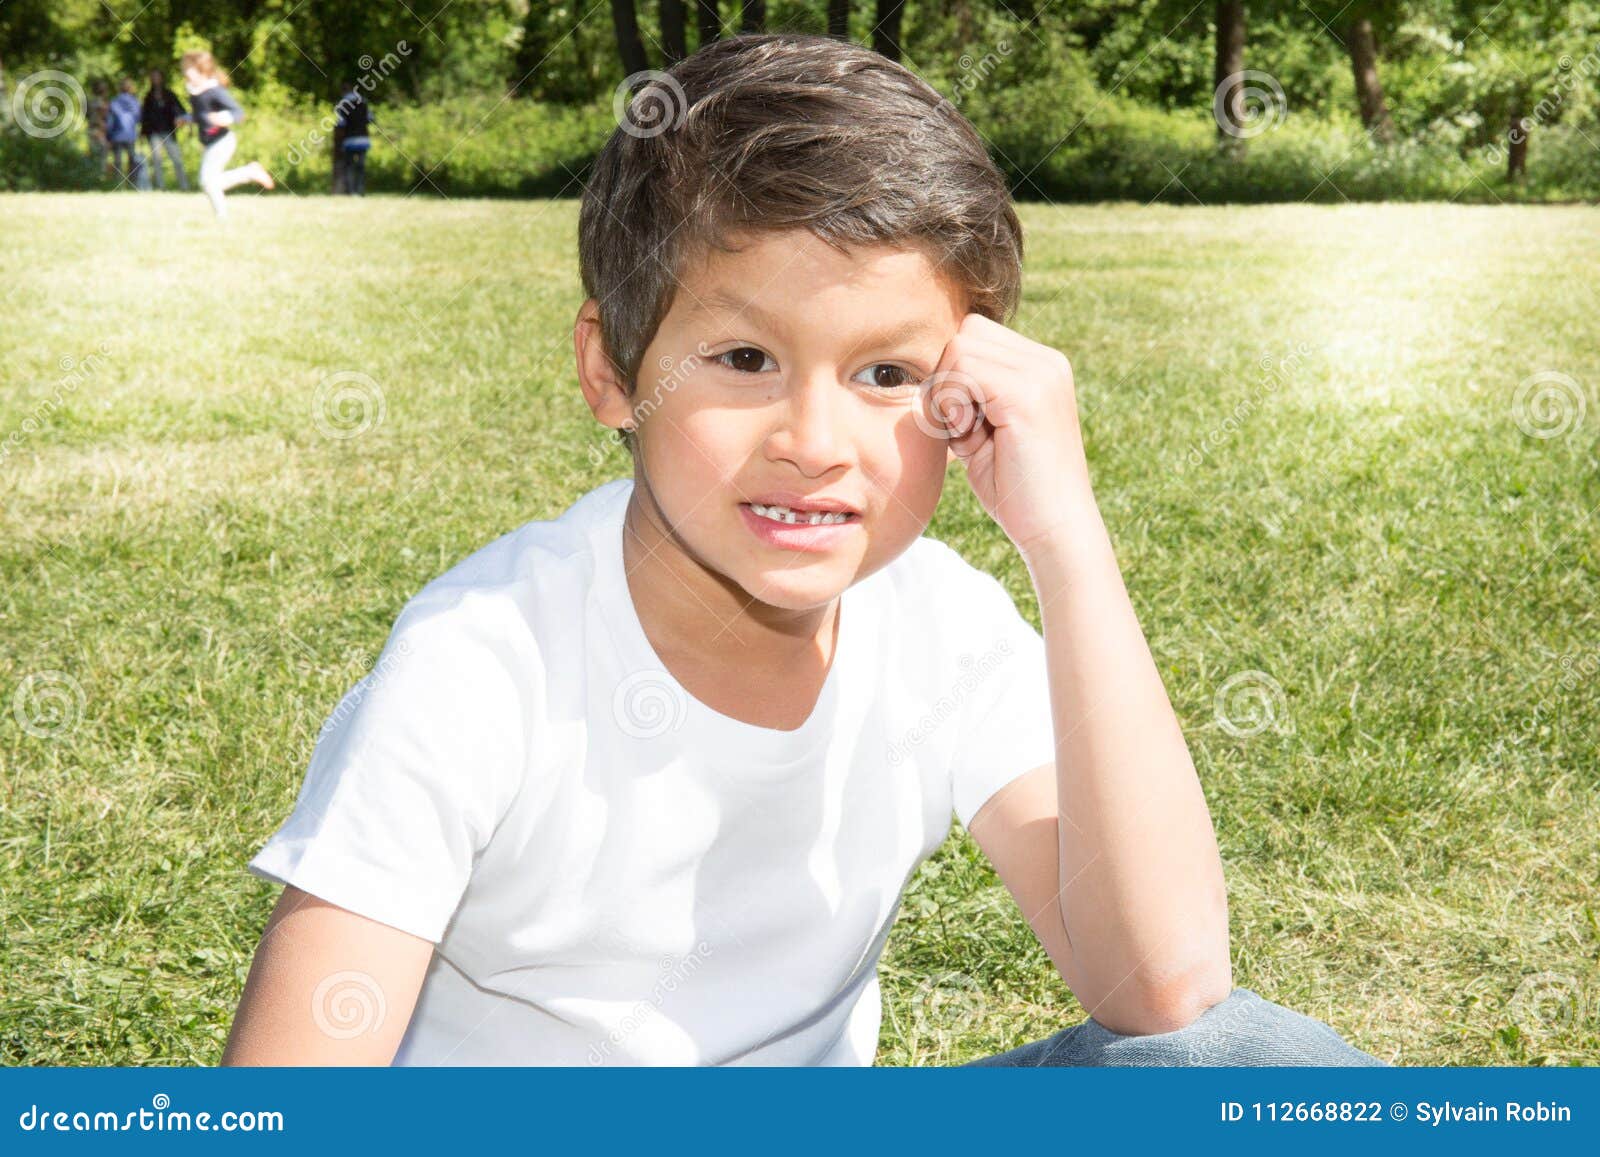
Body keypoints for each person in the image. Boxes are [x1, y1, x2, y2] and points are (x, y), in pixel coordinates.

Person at [224, 34, 1389, 1068]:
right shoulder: (482, 661)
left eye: (887, 374)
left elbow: (1164, 991)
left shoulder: (941, 628)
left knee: (1251, 1060)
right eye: (742, 360)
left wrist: (1066, 540)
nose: (814, 444)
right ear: (612, 370)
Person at [178, 50, 273, 219]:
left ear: (202, 70)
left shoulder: (214, 90)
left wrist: (223, 118)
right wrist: (187, 118)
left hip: (222, 141)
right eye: (185, 69)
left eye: (189, 69)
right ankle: (249, 173)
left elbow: (238, 112)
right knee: (208, 182)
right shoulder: (195, 92)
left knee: (208, 181)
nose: (186, 72)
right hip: (210, 143)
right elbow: (200, 115)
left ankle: (222, 216)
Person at [140, 68, 190, 191]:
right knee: (157, 160)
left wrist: (179, 119)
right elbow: (144, 116)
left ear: (162, 78)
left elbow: (181, 110)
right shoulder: (148, 96)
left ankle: (184, 186)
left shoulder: (169, 94)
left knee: (177, 159)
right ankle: (161, 187)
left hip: (169, 132)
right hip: (153, 133)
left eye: (157, 76)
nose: (155, 79)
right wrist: (142, 133)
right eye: (153, 77)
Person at [332, 79, 372, 196]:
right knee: (361, 166)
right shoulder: (363, 102)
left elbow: (341, 124)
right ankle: (360, 190)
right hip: (363, 139)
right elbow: (370, 119)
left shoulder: (342, 104)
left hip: (349, 140)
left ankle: (351, 191)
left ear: (343, 91)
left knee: (349, 166)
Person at [86, 80, 110, 175]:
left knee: (98, 154)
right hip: (97, 131)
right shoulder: (98, 103)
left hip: (95, 130)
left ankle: (97, 175)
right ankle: (98, 176)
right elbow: (99, 118)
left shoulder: (93, 101)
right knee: (100, 155)